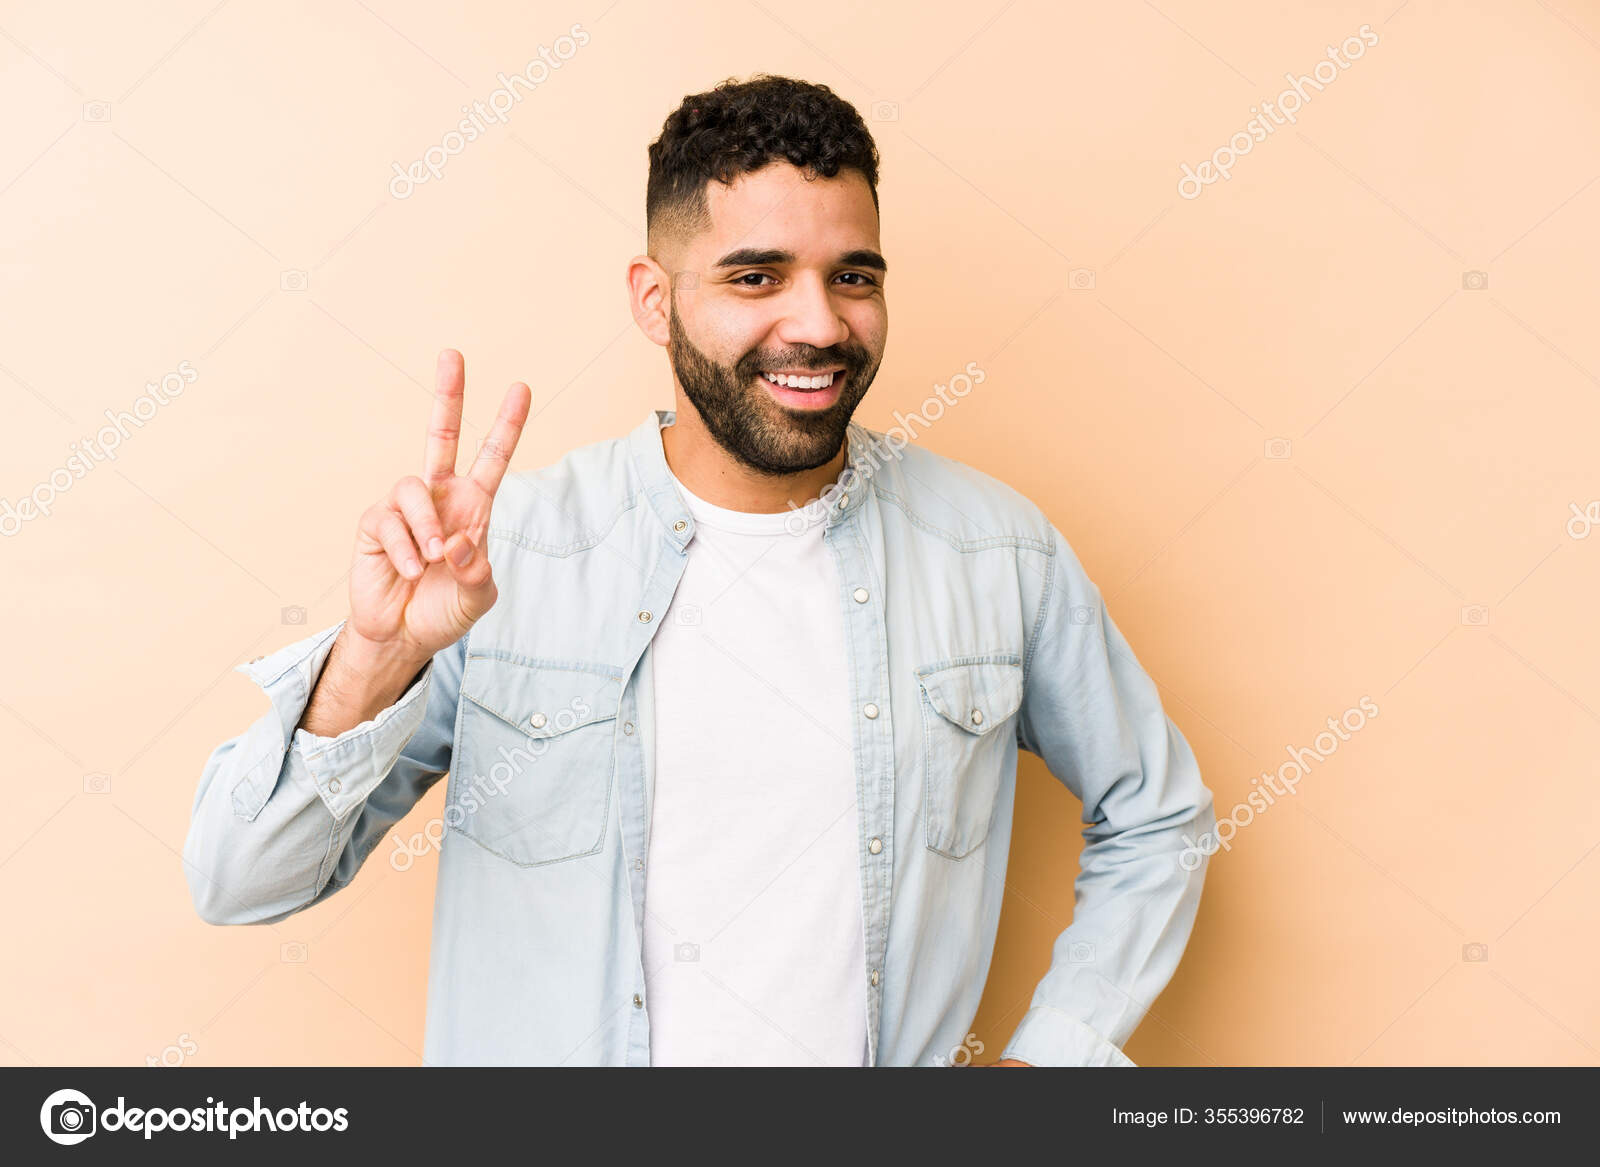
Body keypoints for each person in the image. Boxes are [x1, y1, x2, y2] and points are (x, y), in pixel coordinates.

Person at [183, 73, 1215, 1067]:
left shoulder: (995, 551)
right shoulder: (506, 555)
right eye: (754, 276)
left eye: (851, 276)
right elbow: (241, 882)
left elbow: (1158, 818)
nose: (817, 325)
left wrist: (1055, 1061)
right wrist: (374, 658)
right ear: (653, 299)